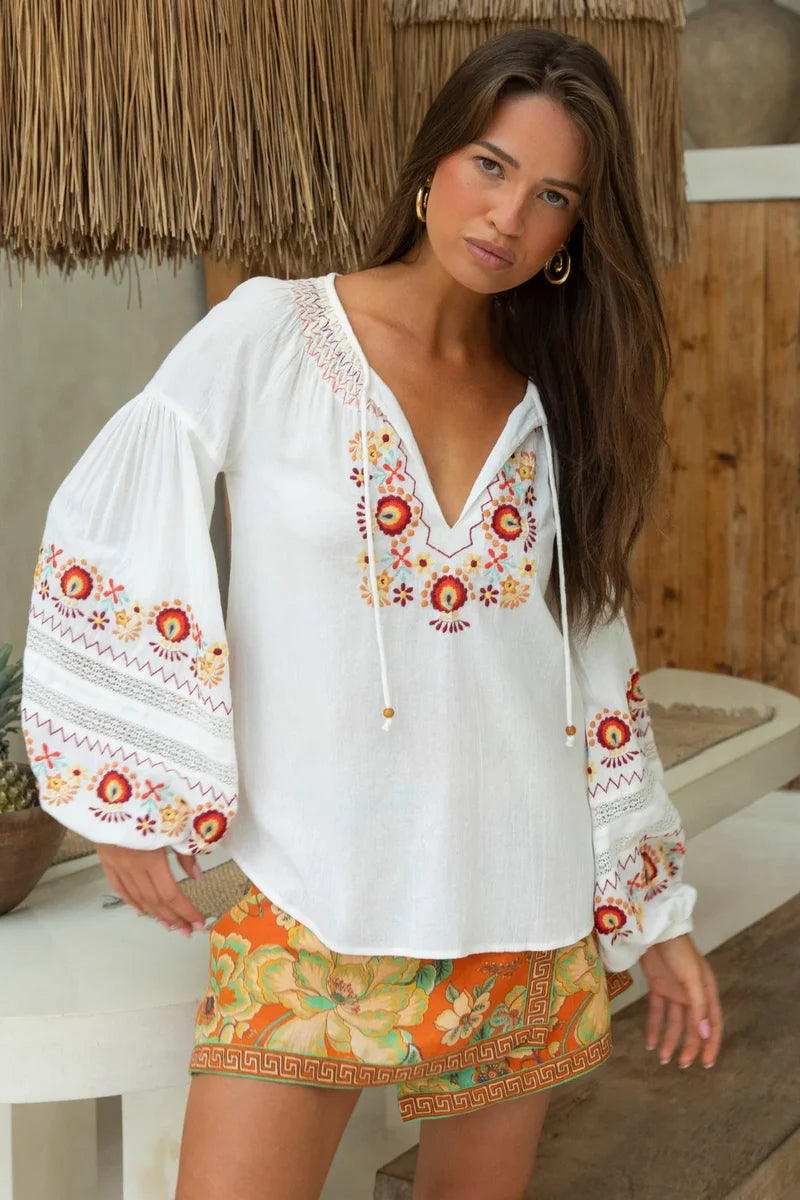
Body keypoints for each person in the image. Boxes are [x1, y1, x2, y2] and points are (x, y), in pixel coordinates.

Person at [21, 26, 723, 1200]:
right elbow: (115, 515)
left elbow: (588, 659)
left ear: (572, 232)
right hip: (311, 894)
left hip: (520, 902)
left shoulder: (555, 402)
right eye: (490, 166)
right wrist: (123, 790)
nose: (506, 215)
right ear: (433, 161)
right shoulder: (271, 334)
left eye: (551, 196)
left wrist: (652, 910)